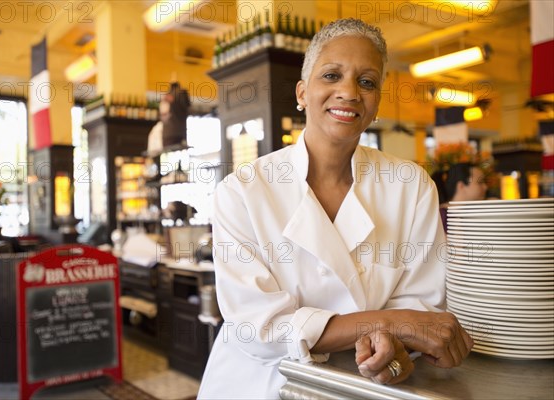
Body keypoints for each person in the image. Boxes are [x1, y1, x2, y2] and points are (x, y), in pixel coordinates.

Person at [198, 18, 473, 399]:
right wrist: (392, 322)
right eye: (331, 75)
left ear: (377, 102)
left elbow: (420, 309)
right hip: (260, 385)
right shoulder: (242, 191)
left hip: (363, 386)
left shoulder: (411, 187)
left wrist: (395, 349)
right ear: (302, 92)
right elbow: (259, 331)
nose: (349, 92)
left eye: (367, 82)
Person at [431, 162, 488, 232]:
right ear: (461, 186)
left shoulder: (471, 215)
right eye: (480, 182)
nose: (485, 187)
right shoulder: (441, 217)